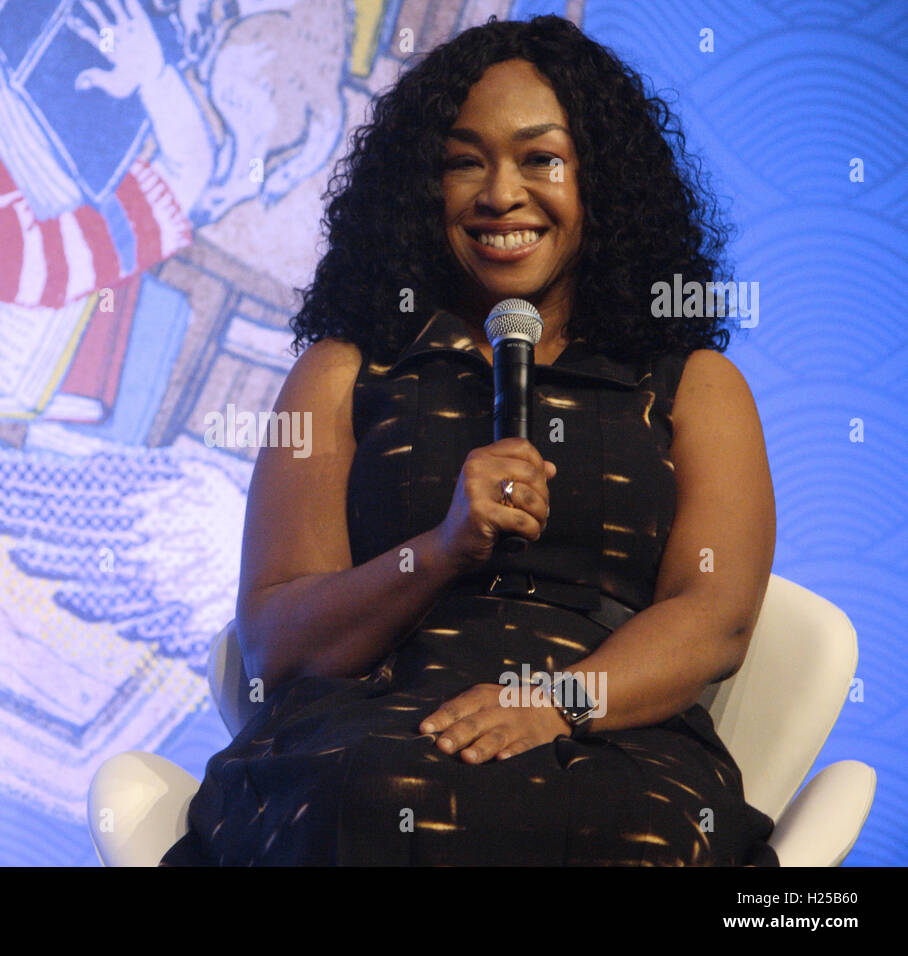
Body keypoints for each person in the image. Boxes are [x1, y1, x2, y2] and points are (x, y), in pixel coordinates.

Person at [159, 14, 779, 866]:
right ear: (423, 188)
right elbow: (279, 645)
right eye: (464, 161)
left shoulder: (693, 384)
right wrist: (444, 548)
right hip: (373, 734)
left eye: (540, 159)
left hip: (610, 735)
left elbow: (715, 619)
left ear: (602, 180)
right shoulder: (346, 372)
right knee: (369, 802)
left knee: (636, 833)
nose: (499, 194)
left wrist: (556, 700)